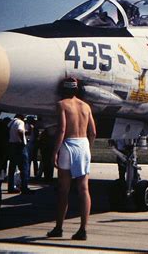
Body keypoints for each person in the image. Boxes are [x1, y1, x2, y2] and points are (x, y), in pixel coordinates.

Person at [47, 77, 96, 240]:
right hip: (83, 144)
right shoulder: (86, 106)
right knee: (84, 189)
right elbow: (93, 132)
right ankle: (83, 229)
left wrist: (54, 151)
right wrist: (89, 147)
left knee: (63, 190)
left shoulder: (62, 104)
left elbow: (61, 129)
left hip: (68, 143)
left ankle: (59, 227)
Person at [7, 114, 31, 194]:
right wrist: (23, 142)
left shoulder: (11, 122)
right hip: (18, 145)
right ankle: (24, 187)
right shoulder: (20, 122)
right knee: (24, 167)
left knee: (12, 167)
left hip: (11, 145)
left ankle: (10, 187)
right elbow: (20, 131)